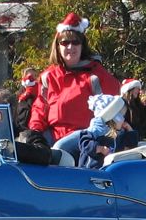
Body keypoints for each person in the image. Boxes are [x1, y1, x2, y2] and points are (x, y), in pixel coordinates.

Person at [28, 13, 120, 147]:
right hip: (53, 136)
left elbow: (114, 107)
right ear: (58, 46)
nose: (70, 47)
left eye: (75, 42)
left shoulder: (96, 75)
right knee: (24, 147)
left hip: (84, 137)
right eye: (65, 42)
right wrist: (34, 132)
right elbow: (40, 108)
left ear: (82, 45)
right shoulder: (48, 76)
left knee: (60, 148)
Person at [118, 78, 146, 150]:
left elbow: (144, 121)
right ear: (130, 89)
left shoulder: (137, 104)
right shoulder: (121, 103)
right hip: (125, 139)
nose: (138, 90)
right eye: (136, 88)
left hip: (136, 137)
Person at [15, 67, 39, 132]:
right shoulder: (22, 88)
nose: (32, 77)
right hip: (22, 116)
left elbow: (30, 92)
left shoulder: (36, 86)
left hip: (31, 112)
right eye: (29, 75)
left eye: (34, 75)